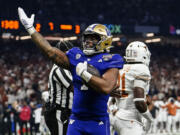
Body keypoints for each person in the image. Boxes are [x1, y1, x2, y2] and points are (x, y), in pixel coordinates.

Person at [18, 8, 124, 135]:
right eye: (87, 38)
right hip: (76, 120)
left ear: (105, 40)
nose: (88, 41)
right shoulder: (76, 55)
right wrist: (31, 29)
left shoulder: (111, 59)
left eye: (93, 38)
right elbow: (51, 52)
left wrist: (84, 73)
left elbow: (106, 87)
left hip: (98, 121)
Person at [110, 41, 153, 135]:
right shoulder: (141, 69)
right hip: (130, 120)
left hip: (118, 117)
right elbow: (139, 101)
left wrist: (113, 108)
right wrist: (150, 119)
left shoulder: (122, 68)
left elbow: (112, 95)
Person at [42, 41, 74, 135]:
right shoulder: (59, 69)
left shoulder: (67, 67)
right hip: (59, 112)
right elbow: (74, 88)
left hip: (65, 112)